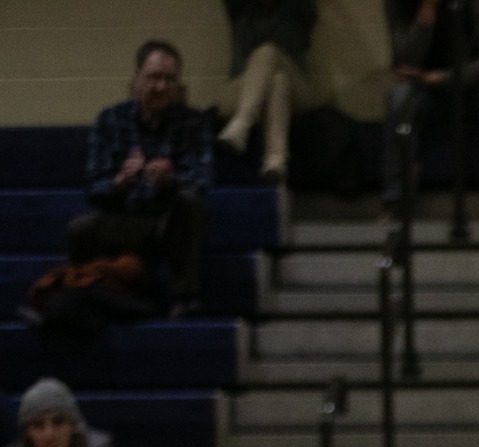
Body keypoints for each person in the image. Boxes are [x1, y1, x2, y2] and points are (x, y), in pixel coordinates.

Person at [71, 41, 212, 319]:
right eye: (153, 78)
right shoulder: (111, 119)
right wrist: (120, 180)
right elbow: (93, 187)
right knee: (79, 229)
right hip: (125, 219)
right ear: (136, 79)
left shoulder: (193, 122)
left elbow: (202, 181)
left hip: (168, 222)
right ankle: (97, 294)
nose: (161, 87)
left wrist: (172, 179)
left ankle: (185, 298)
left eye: (169, 80)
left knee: (191, 204)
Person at [382, 0, 479, 222]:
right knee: (400, 98)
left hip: (475, 86)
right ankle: (396, 203)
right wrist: (425, 15)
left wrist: (444, 78)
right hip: (428, 89)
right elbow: (404, 61)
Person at [217, 0, 318, 182]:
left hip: (298, 88)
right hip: (241, 89)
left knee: (268, 52)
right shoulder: (239, 10)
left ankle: (241, 125)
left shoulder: (295, 9)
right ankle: (276, 161)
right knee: (278, 82)